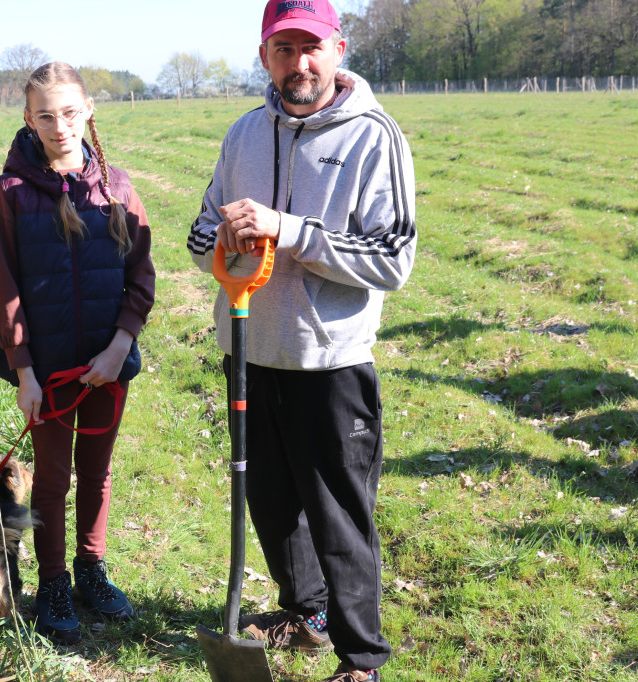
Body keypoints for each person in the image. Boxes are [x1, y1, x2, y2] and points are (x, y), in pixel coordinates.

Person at [187, 1, 416, 680]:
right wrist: (223, 238)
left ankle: (361, 655)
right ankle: (307, 614)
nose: (300, 63)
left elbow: (392, 258)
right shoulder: (245, 134)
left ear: (338, 50)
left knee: (338, 512)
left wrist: (289, 231)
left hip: (330, 360)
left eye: (312, 47)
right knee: (272, 502)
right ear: (265, 57)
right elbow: (199, 232)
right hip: (250, 351)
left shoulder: (375, 136)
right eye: (284, 49)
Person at [0, 62, 156, 644]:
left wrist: (119, 347)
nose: (59, 126)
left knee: (97, 471)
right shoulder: (11, 193)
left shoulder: (119, 187)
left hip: (108, 363)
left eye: (68, 112)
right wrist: (25, 372)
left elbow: (141, 276)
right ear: (28, 120)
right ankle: (53, 581)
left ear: (88, 110)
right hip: (49, 371)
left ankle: (91, 568)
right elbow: (4, 287)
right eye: (45, 115)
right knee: (53, 478)